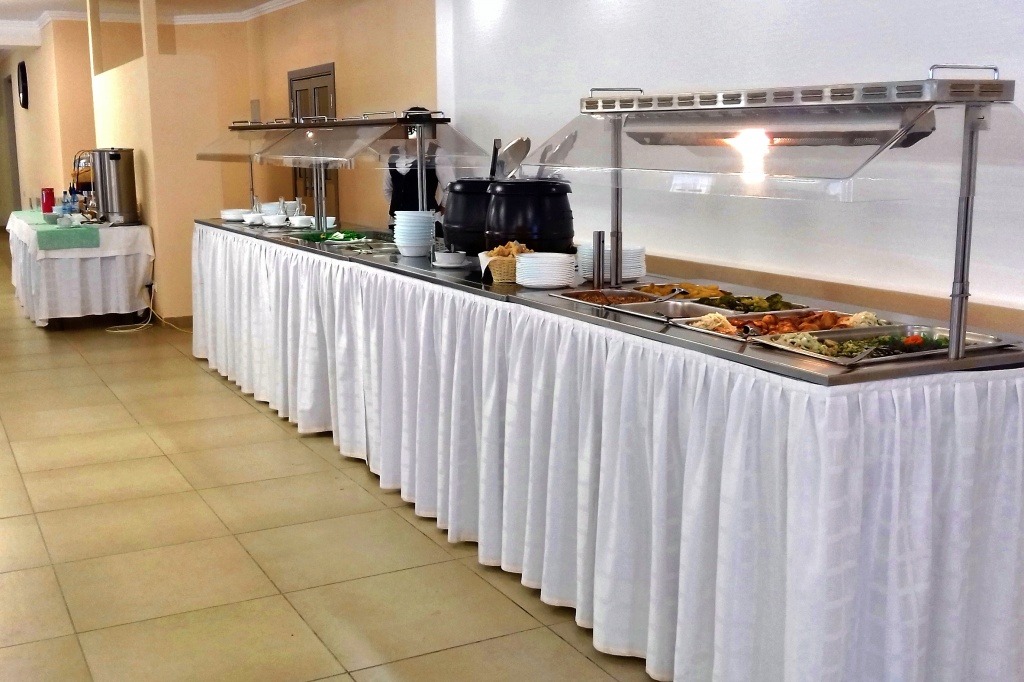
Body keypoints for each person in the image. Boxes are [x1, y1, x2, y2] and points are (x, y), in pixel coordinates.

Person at [383, 107, 453, 236]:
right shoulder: (395, 153)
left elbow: (450, 188)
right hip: (398, 223)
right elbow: (387, 189)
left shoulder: (436, 153)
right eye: (409, 128)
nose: (413, 133)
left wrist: (439, 210)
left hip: (427, 222)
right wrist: (398, 207)